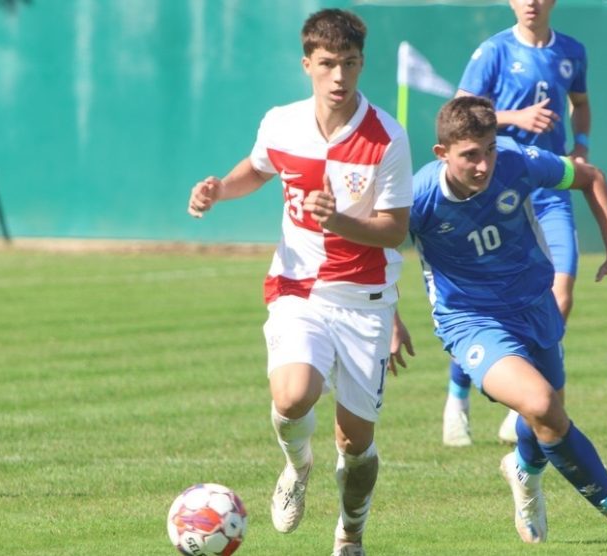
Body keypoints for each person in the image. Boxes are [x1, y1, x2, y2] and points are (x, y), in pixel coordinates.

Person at [187, 9, 415, 555]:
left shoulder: (386, 137)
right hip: (297, 289)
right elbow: (257, 169)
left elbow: (394, 230)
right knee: (292, 397)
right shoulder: (281, 123)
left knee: (355, 446)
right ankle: (297, 465)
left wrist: (339, 221)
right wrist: (220, 190)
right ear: (307, 64)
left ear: (362, 64)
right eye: (329, 63)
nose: (340, 76)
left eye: (351, 63)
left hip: (363, 301)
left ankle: (350, 534)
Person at [410, 96, 607, 554]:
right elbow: (379, 248)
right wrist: (387, 318)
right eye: (470, 155)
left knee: (546, 416)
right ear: (441, 153)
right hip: (470, 320)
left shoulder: (517, 161)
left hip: (533, 304)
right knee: (541, 403)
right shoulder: (419, 197)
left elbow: (591, 177)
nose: (483, 165)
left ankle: (524, 470)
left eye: (489, 150)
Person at [444, 0, 591, 446]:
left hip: (549, 189)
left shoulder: (572, 50)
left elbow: (580, 103)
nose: (531, 2)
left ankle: (521, 407)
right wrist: (513, 118)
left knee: (560, 293)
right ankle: (457, 398)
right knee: (487, 303)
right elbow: (459, 112)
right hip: (500, 190)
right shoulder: (493, 51)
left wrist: (581, 145)